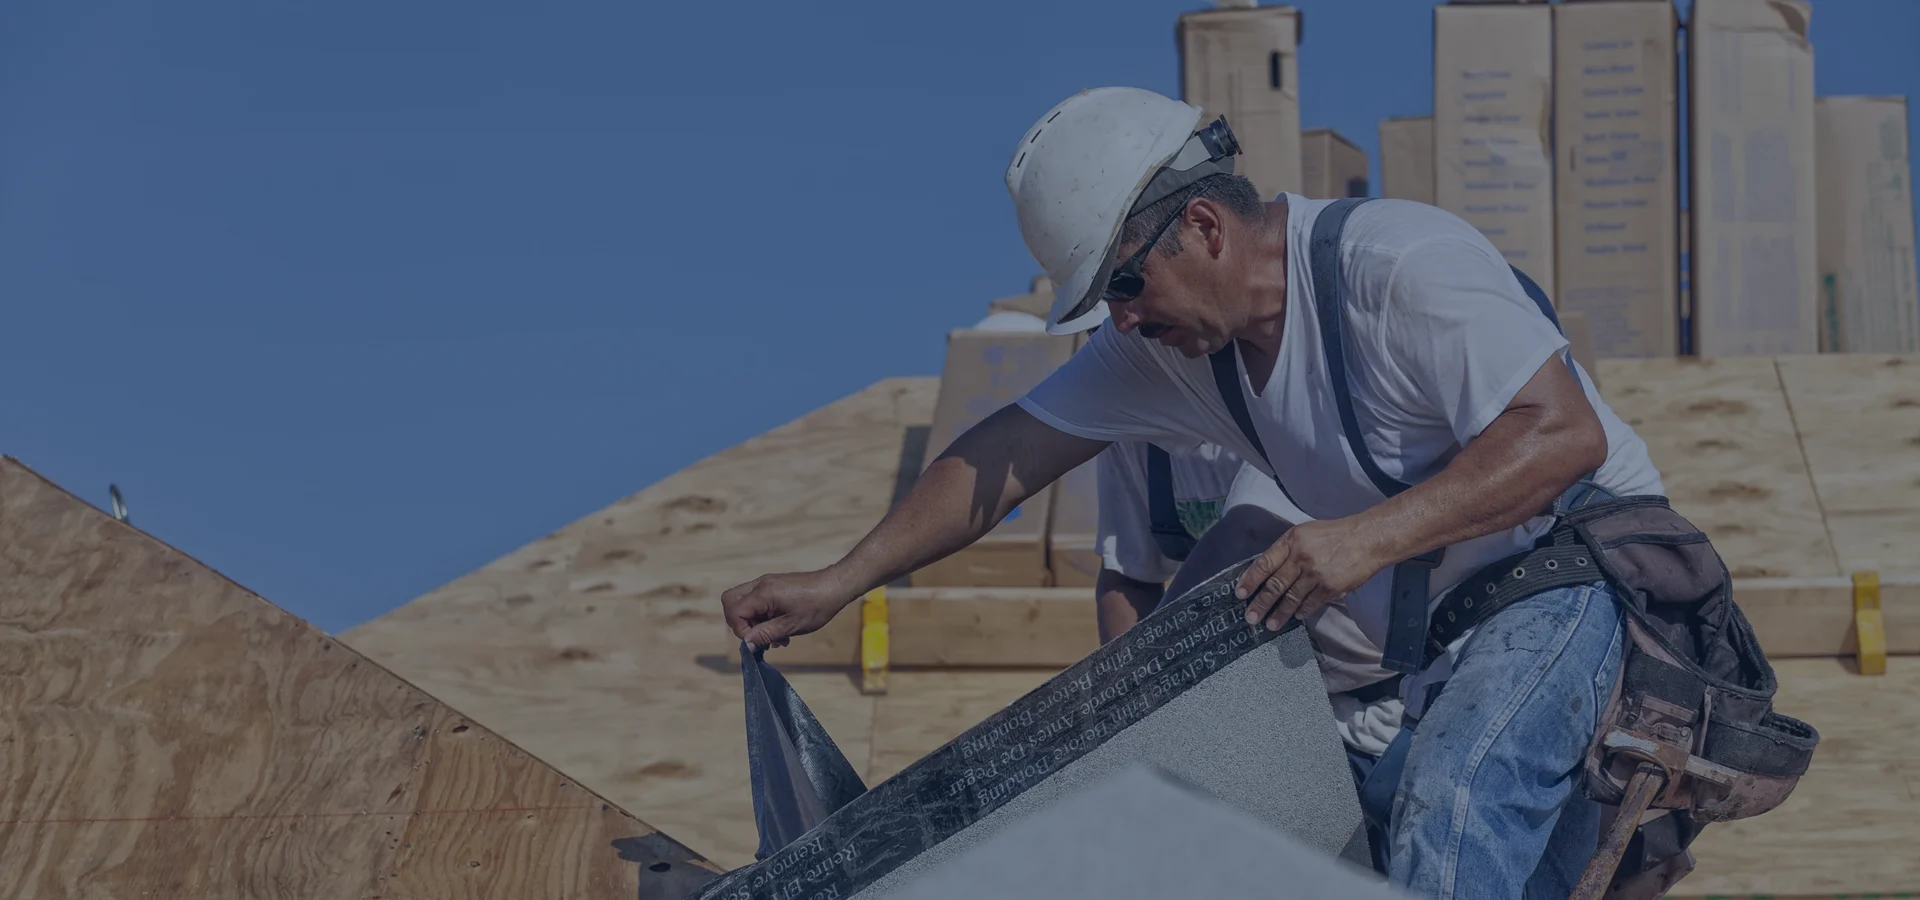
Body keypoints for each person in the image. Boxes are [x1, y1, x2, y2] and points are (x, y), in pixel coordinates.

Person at [722, 86, 1664, 898]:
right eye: (1106, 302)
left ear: (1205, 228)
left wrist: (1363, 539)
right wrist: (838, 582)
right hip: (1432, 630)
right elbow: (1005, 452)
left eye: (1126, 283)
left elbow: (1562, 436)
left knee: (1453, 803)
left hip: (1576, 574)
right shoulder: (1166, 355)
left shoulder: (1397, 265)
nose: (1123, 319)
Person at [1095, 437, 1406, 874]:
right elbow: (1128, 576)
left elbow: (1246, 535)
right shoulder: (1136, 434)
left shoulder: (1283, 400)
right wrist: (1126, 722)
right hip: (1273, 726)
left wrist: (1127, 714)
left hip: (1394, 708)